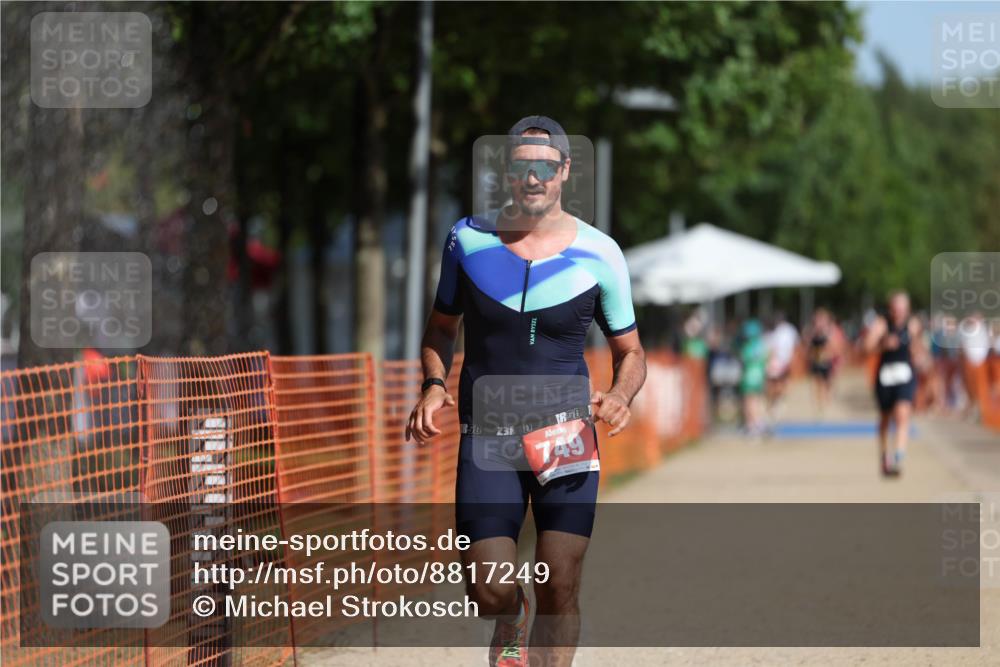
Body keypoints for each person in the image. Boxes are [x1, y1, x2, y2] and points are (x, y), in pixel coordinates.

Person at [405, 116, 646, 667]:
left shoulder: (601, 252)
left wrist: (619, 396)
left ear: (564, 171)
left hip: (566, 436)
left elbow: (631, 352)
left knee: (559, 583)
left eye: (544, 166)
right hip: (488, 435)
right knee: (487, 584)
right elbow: (442, 327)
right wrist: (434, 385)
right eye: (521, 166)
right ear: (506, 172)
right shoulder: (466, 239)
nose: (533, 177)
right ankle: (508, 620)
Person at [863, 291, 927, 477]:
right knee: (885, 418)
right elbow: (866, 348)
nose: (898, 313)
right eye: (895, 309)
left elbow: (918, 347)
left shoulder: (913, 325)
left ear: (907, 310)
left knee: (902, 414)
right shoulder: (881, 324)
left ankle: (898, 456)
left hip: (905, 375)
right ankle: (885, 455)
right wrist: (883, 345)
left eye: (902, 309)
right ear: (890, 309)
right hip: (885, 376)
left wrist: (920, 355)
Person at [804, 308, 841, 414]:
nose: (819, 322)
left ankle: (826, 402)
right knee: (817, 383)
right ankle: (819, 406)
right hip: (816, 361)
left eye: (822, 319)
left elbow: (836, 348)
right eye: (818, 319)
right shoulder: (812, 332)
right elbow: (807, 347)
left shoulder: (830, 331)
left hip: (827, 361)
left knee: (827, 383)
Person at [764, 311, 798, 419]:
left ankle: (776, 401)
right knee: (774, 384)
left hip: (780, 362)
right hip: (777, 362)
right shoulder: (774, 332)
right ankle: (774, 402)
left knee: (779, 384)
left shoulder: (786, 331)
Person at [738, 319, 768, 437]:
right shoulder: (761, 345)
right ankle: (758, 423)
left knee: (748, 401)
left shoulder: (747, 347)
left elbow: (744, 361)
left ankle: (751, 424)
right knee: (757, 400)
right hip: (759, 377)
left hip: (749, 377)